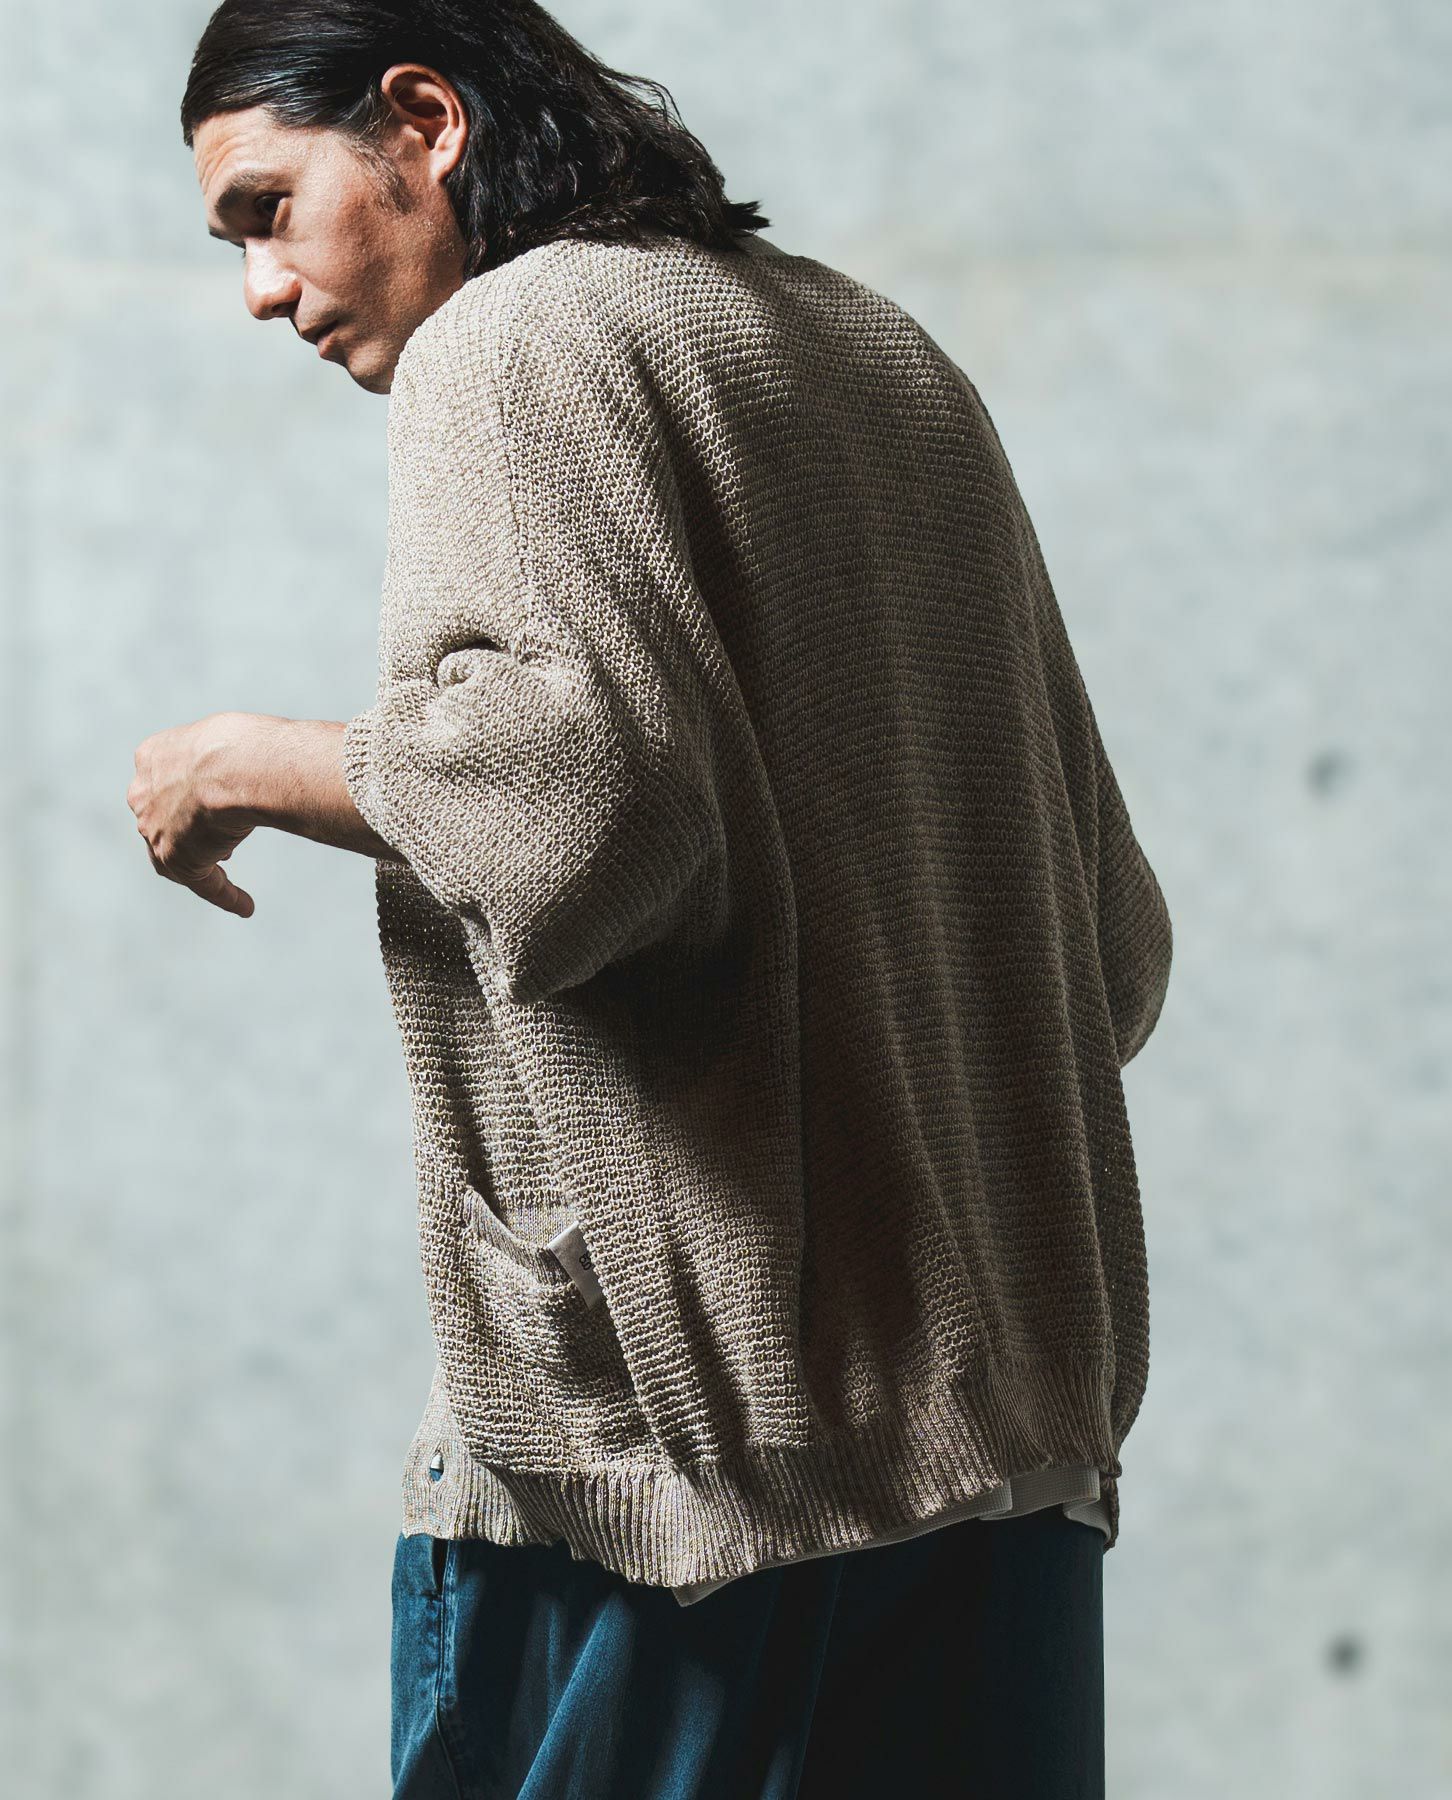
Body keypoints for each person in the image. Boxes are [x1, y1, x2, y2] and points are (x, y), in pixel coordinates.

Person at [127, 2, 1171, 1794]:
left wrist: (244, 760)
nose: (261, 289)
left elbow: (584, 806)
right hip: (999, 1471)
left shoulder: (514, 340)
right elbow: (1113, 952)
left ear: (425, 121)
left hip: (680, 1489)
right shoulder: (883, 357)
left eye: (267, 209)